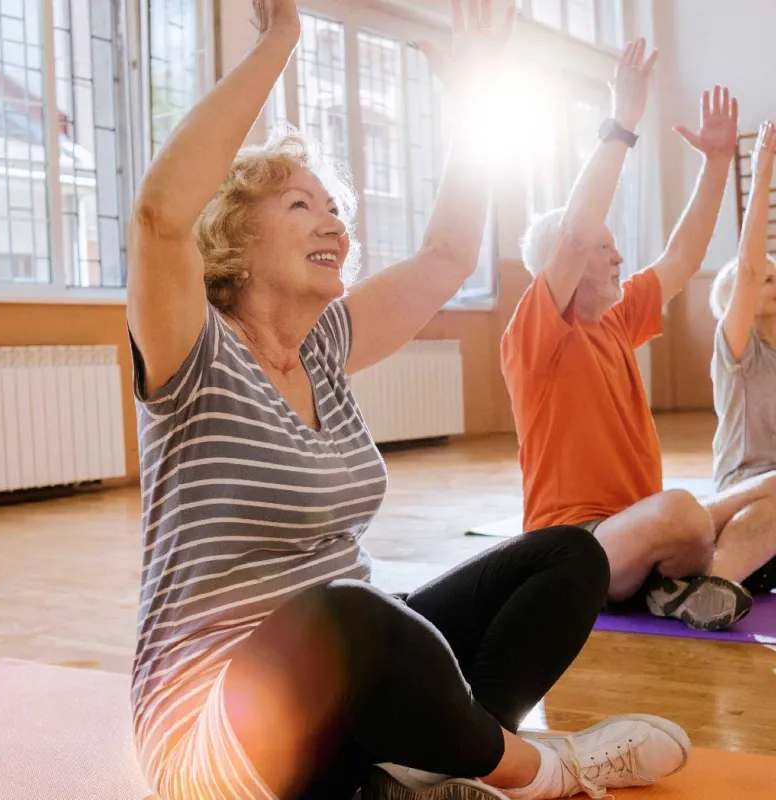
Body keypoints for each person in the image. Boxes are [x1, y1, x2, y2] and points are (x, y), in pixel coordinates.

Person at [126, 2, 689, 798]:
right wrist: (281, 40)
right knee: (349, 617)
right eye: (301, 206)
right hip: (221, 734)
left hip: (346, 700)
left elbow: (449, 251)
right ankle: (542, 771)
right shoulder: (195, 352)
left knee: (569, 556)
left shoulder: (322, 348)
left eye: (337, 210)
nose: (336, 225)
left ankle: (441, 772)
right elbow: (157, 216)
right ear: (233, 239)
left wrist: (474, 97)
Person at [502, 39, 768, 632]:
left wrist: (719, 163)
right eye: (603, 246)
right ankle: (682, 579)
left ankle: (703, 585)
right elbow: (573, 230)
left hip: (640, 527)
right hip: (575, 548)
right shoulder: (538, 333)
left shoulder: (619, 317)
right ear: (565, 265)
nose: (618, 254)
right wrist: (621, 124)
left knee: (772, 490)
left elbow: (682, 255)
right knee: (680, 514)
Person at [706, 121, 776, 596]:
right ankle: (709, 583)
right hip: (743, 491)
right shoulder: (737, 348)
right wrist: (763, 168)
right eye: (765, 280)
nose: (770, 279)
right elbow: (748, 267)